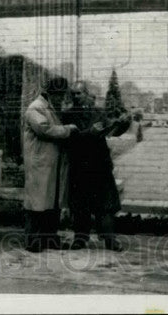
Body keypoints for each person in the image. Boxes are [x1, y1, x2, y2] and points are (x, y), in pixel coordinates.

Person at [60, 82, 132, 251]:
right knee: (80, 205)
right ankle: (80, 238)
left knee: (105, 205)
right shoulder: (67, 115)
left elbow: (112, 131)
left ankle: (109, 239)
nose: (75, 97)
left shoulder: (99, 113)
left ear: (86, 94)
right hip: (79, 165)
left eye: (78, 93)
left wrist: (123, 123)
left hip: (100, 165)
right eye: (73, 94)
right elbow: (67, 139)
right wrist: (89, 134)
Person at [22, 76, 77, 252]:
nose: (61, 99)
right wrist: (68, 130)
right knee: (37, 203)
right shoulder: (35, 108)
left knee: (51, 202)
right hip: (39, 165)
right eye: (59, 95)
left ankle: (49, 238)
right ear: (50, 92)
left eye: (63, 95)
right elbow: (45, 129)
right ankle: (33, 240)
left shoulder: (49, 107)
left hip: (49, 164)